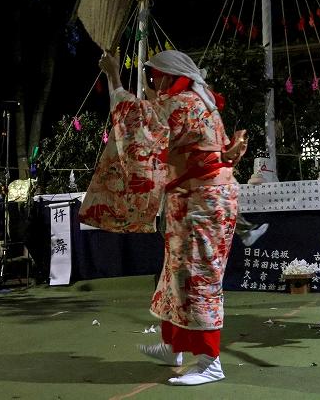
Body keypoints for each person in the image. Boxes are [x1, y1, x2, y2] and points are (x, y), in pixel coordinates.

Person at [93, 49, 247, 386]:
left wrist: (115, 78)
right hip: (197, 198)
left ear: (168, 76)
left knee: (196, 276)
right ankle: (173, 345)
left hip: (201, 200)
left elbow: (137, 121)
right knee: (177, 274)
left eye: (154, 76)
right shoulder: (199, 102)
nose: (153, 83)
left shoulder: (183, 104)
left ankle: (210, 361)